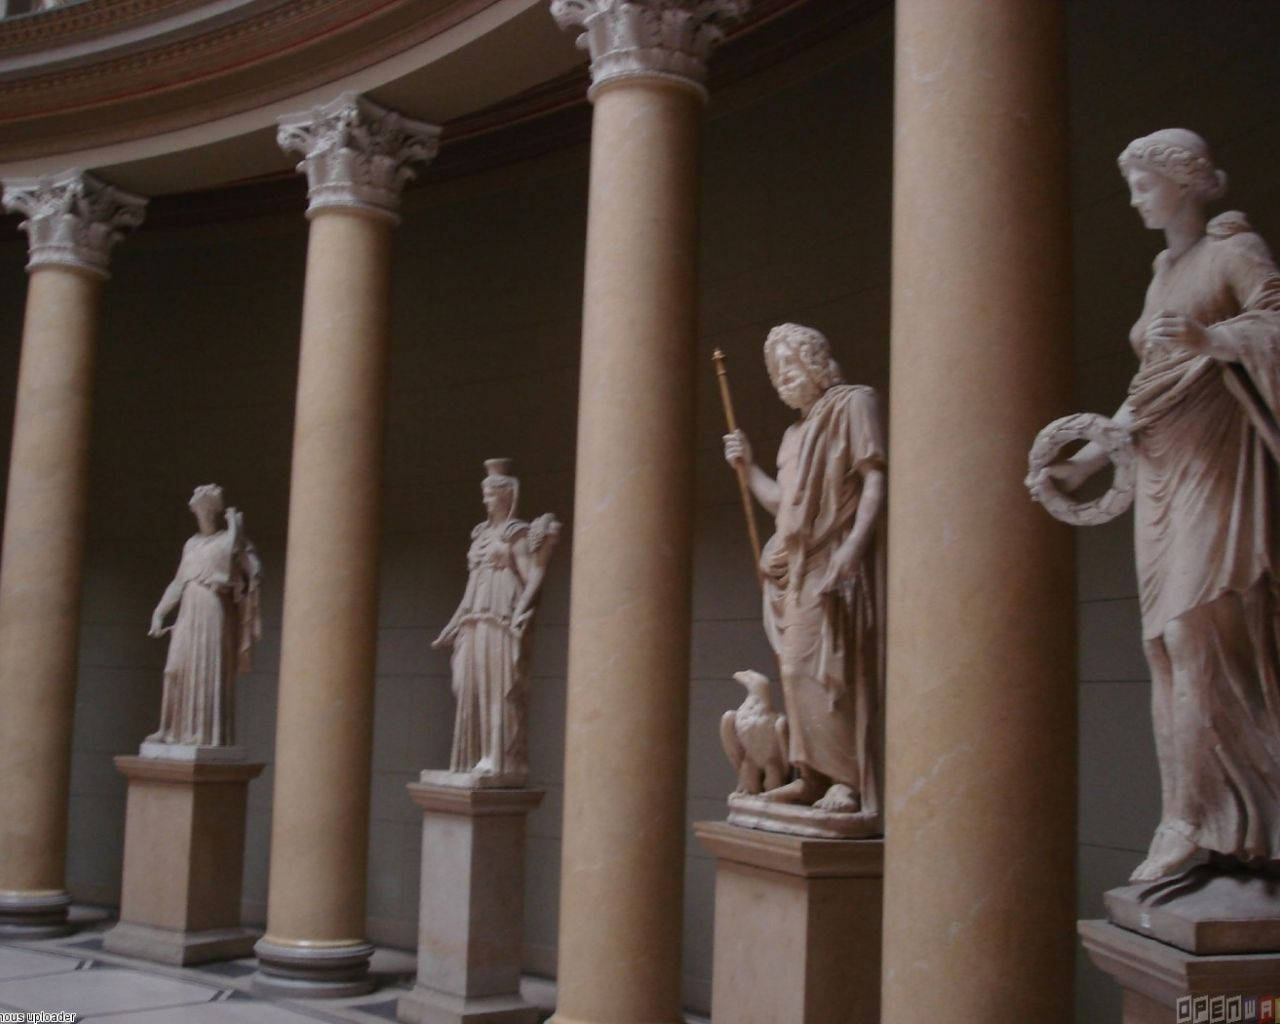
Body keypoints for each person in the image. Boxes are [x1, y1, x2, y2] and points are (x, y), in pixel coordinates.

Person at [1045, 129, 1280, 881]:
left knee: (1197, 629)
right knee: (1164, 647)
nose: (1136, 195)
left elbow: (1276, 327)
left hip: (1216, 460)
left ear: (1183, 180)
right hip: (1156, 466)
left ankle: (1213, 819)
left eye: (1146, 181)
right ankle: (1186, 810)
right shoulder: (1161, 270)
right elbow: (1146, 389)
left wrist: (1214, 337)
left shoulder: (1232, 251)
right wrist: (1085, 461)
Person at [723, 323, 885, 815]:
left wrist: (851, 550)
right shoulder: (793, 436)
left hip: (833, 557)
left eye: (789, 365)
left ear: (815, 363)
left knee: (823, 669)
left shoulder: (855, 404)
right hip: (795, 566)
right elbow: (784, 507)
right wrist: (748, 467)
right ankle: (811, 775)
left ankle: (847, 781)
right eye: (775, 372)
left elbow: (874, 480)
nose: (782, 378)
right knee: (793, 673)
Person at [432, 459, 560, 782]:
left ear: (504, 497)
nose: (485, 500)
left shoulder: (515, 533)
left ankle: (498, 757)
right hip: (474, 617)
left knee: (498, 688)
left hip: (500, 617)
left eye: (490, 495)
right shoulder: (479, 535)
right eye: (484, 494)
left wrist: (522, 611)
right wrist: (453, 623)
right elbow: (471, 585)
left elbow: (533, 575)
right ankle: (475, 754)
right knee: (466, 685)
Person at [146, 484, 262, 747]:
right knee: (174, 667)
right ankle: (169, 729)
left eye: (208, 510)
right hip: (189, 606)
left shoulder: (228, 539)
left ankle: (203, 733)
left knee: (207, 668)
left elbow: (252, 572)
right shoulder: (191, 545)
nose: (204, 515)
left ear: (216, 512)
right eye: (199, 511)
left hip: (212, 608)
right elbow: (178, 583)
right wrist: (160, 613)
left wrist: (239, 538)